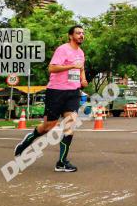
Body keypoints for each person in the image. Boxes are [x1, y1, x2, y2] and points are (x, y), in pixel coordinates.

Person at [13, 25, 87, 173]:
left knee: (70, 124)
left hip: (73, 92)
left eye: (83, 33)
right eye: (78, 33)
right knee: (48, 126)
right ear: (70, 36)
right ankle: (29, 139)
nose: (81, 35)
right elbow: (52, 68)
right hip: (56, 92)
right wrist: (71, 65)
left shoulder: (81, 52)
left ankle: (61, 162)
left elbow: (81, 68)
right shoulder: (62, 49)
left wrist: (83, 79)